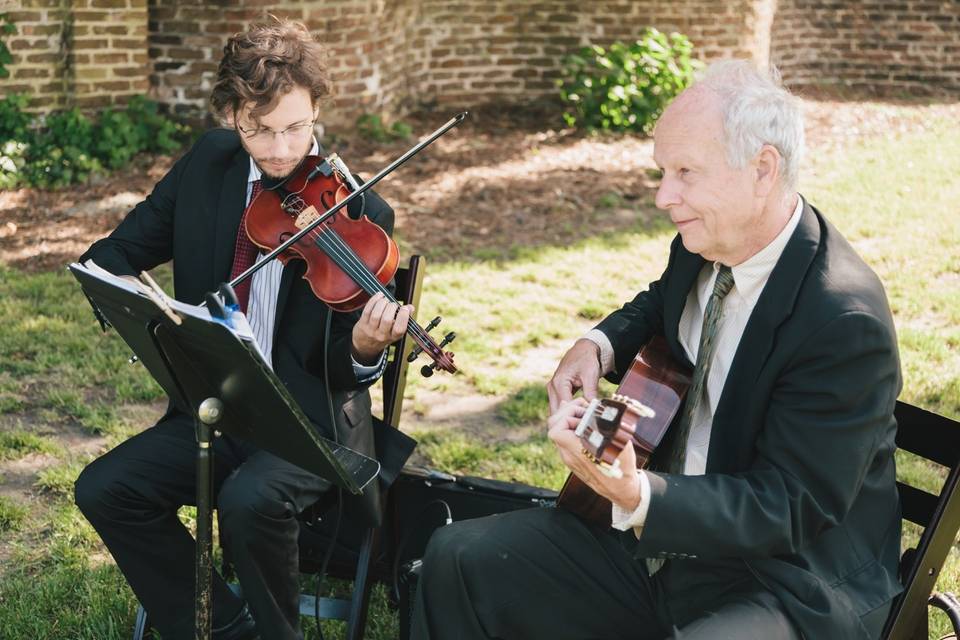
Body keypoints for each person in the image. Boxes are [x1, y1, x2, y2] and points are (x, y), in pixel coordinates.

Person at [411, 60, 902, 640]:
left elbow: (789, 505)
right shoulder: (705, 241)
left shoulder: (842, 320)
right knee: (459, 556)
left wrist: (641, 495)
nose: (665, 195)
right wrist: (599, 345)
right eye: (662, 171)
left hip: (783, 579)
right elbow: (658, 304)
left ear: (762, 169)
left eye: (686, 172)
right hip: (657, 543)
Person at [73, 19, 414, 640]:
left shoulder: (360, 211)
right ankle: (229, 628)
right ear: (231, 114)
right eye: (259, 129)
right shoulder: (209, 164)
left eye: (296, 127)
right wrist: (135, 310)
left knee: (248, 500)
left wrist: (366, 346)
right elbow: (118, 252)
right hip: (216, 406)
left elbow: (341, 366)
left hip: (310, 424)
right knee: (105, 488)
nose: (281, 150)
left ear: (317, 109)